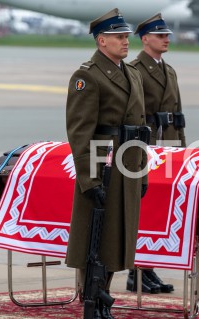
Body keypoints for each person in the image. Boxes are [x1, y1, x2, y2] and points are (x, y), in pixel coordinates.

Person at [65, 8, 148, 318]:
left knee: (116, 239)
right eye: (119, 37)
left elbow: (140, 129)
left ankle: (105, 295)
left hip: (128, 165)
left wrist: (143, 172)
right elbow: (80, 132)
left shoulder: (133, 74)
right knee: (94, 240)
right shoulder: (87, 75)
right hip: (102, 168)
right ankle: (92, 298)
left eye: (126, 36)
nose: (126, 41)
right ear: (102, 41)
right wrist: (90, 180)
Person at [126, 12, 185, 295]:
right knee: (143, 208)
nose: (166, 40)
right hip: (146, 145)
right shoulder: (135, 69)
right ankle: (136, 270)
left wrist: (182, 149)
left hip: (168, 145)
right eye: (160, 36)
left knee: (158, 209)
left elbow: (178, 114)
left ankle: (148, 268)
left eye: (167, 36)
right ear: (145, 39)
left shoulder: (169, 70)